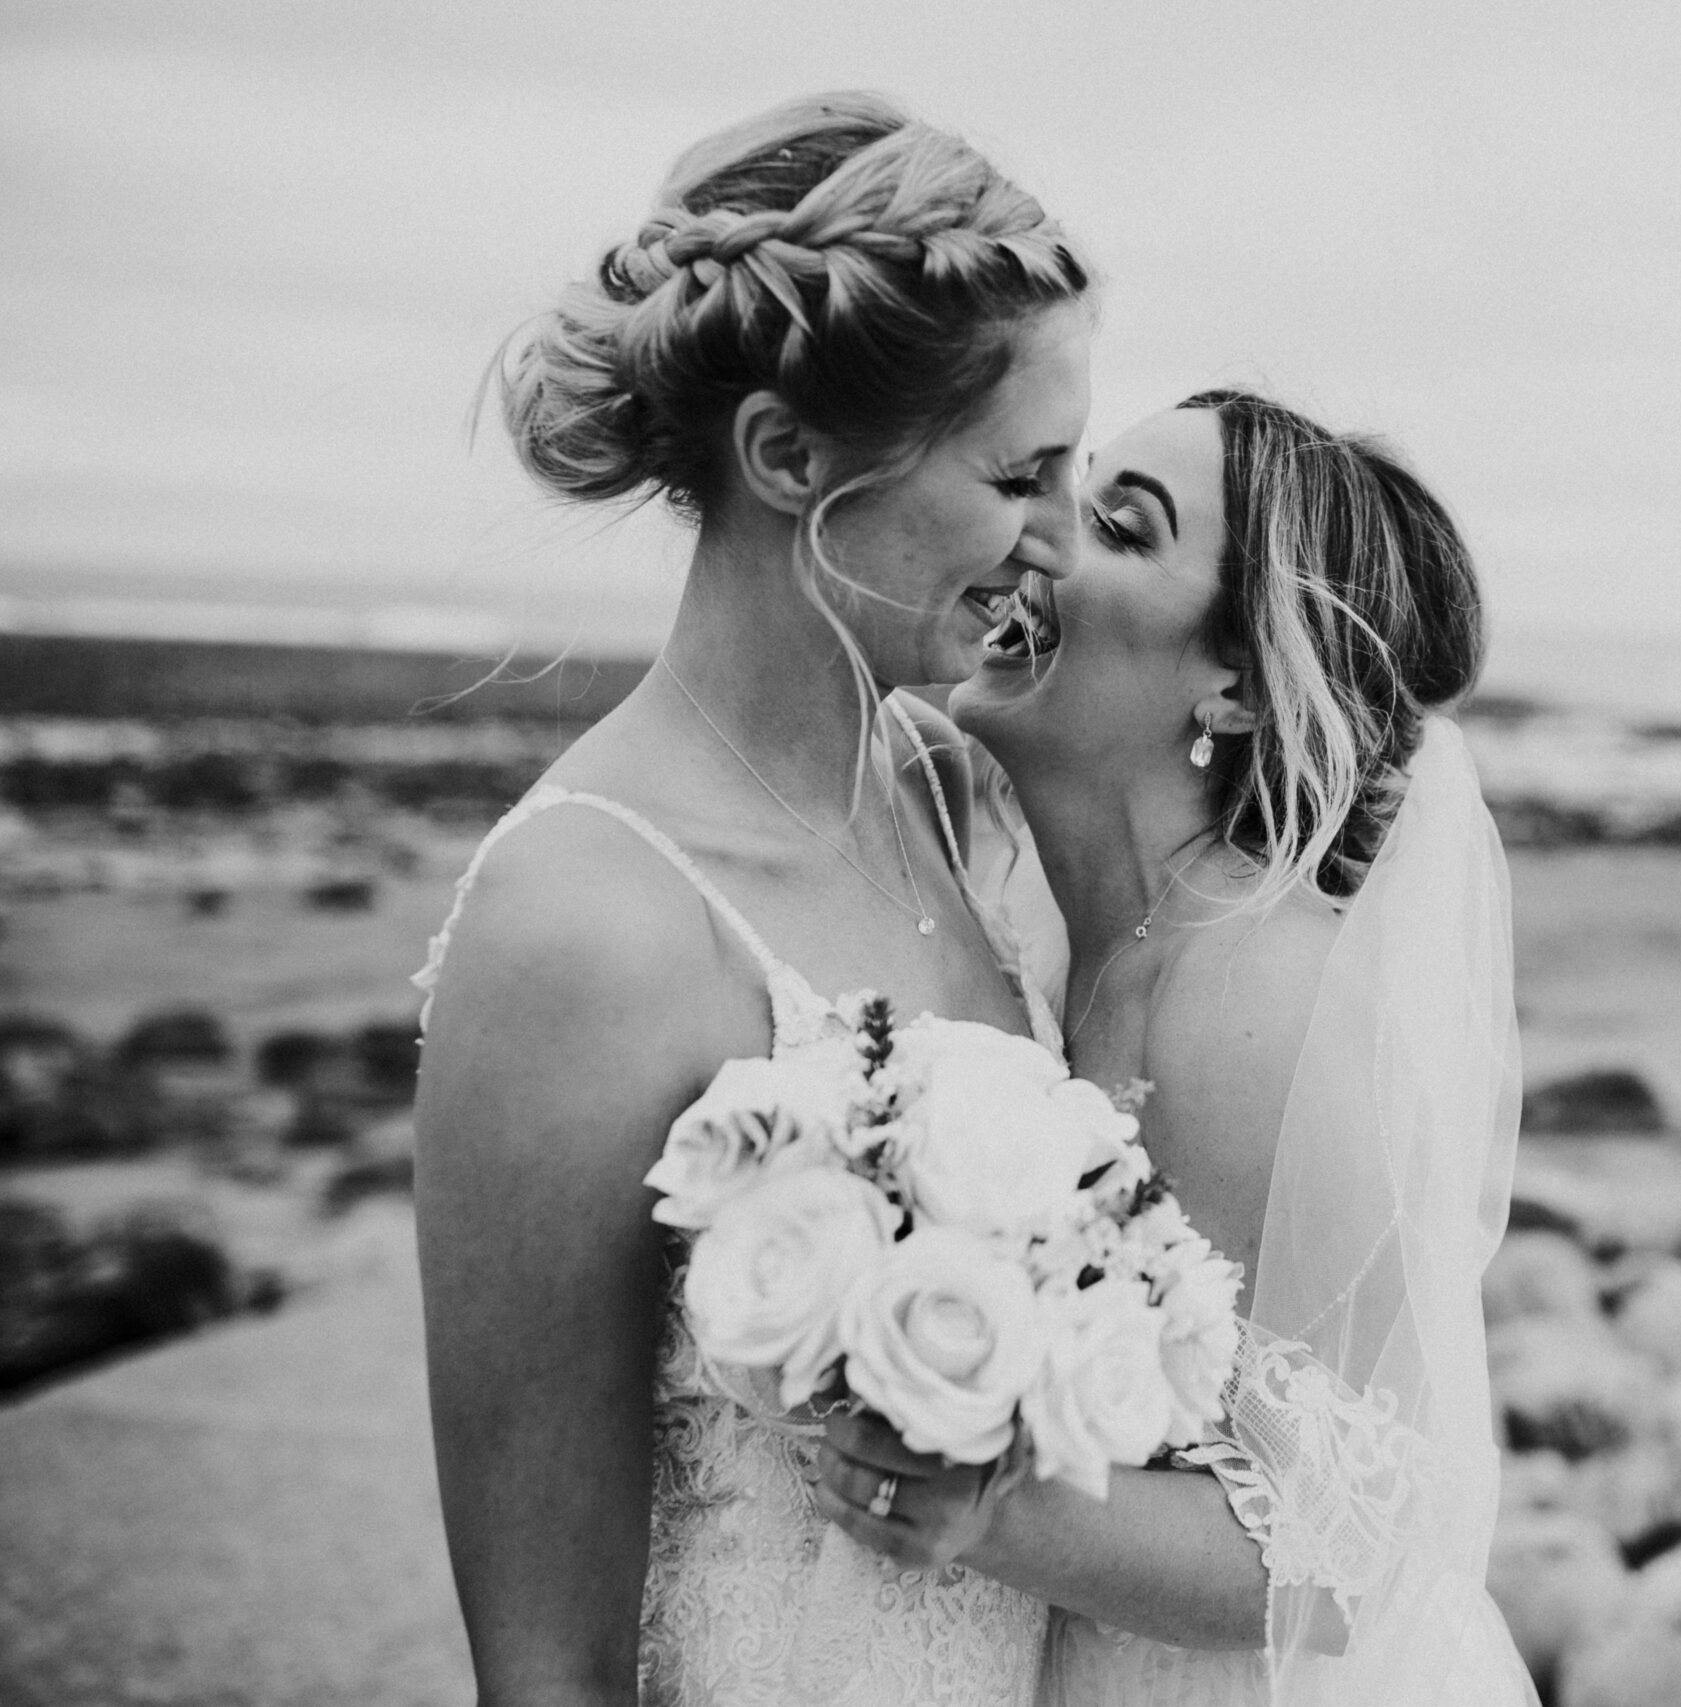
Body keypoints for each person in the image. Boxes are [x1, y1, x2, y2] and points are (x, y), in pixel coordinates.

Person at [411, 92, 1101, 1707]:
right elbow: (545, 1670)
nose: (1065, 543)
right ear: (789, 456)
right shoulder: (586, 926)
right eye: (1023, 476)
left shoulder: (955, 794)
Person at [831, 390, 1537, 1703]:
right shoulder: (999, 879)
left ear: (1241, 685)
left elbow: (1353, 1562)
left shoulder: (1268, 1010)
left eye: (1120, 524)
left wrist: (980, 1504)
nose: (1036, 537)